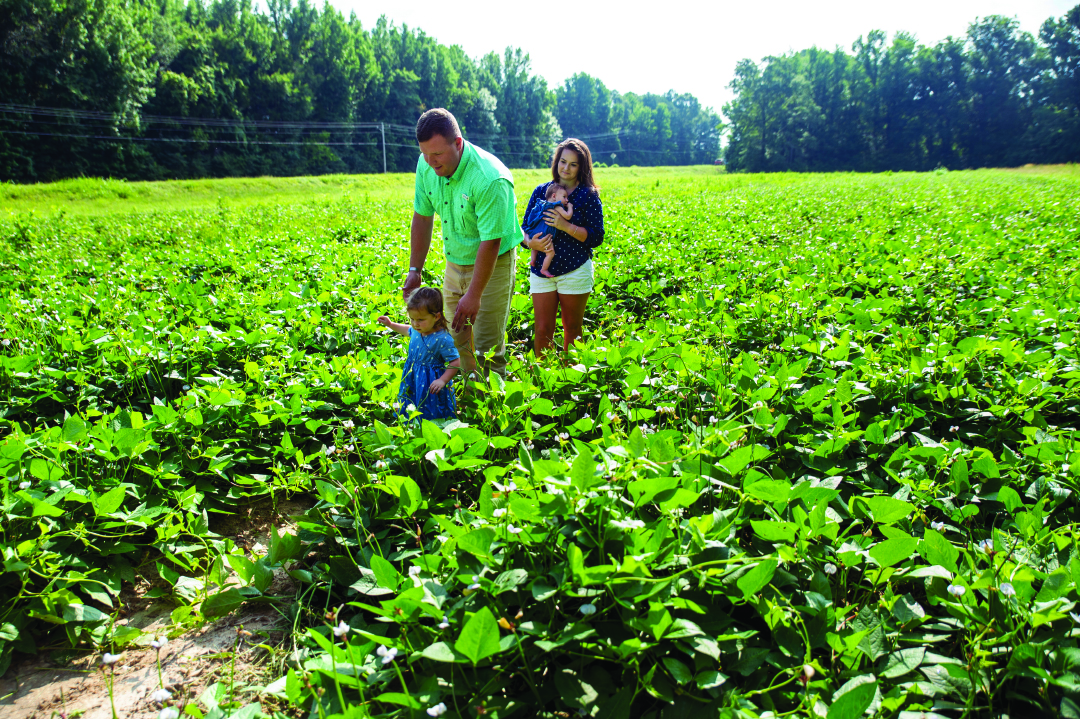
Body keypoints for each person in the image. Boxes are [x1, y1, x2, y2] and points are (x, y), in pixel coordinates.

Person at [404, 108, 520, 378]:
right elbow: (422, 217)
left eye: (437, 154)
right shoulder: (426, 165)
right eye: (425, 154)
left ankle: (490, 410)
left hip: (493, 262)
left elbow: (491, 242)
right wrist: (414, 270)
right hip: (455, 260)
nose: (431, 162)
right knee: (456, 338)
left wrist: (474, 294)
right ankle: (469, 396)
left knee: (486, 346)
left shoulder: (490, 178)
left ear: (457, 144)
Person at [520, 138, 604, 355]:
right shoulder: (541, 191)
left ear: (581, 167)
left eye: (573, 164)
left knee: (573, 330)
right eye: (563, 161)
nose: (566, 168)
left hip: (574, 269)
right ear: (556, 162)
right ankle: (545, 383)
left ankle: (571, 383)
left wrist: (565, 226)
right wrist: (530, 242)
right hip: (541, 270)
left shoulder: (588, 195)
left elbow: (596, 236)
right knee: (542, 329)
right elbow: (522, 229)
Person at [378, 287, 460, 420]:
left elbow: (455, 362)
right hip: (413, 376)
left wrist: (442, 380)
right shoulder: (418, 329)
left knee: (430, 407)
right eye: (412, 319)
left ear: (437, 316)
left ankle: (431, 429)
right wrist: (391, 324)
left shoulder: (442, 339)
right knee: (410, 399)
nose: (416, 324)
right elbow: (408, 330)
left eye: (421, 319)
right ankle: (409, 424)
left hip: (431, 382)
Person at [522, 184, 573, 278]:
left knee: (535, 246)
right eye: (564, 197)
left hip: (536, 232)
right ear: (554, 196)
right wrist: (570, 207)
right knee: (550, 253)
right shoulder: (557, 206)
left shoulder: (542, 204)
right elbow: (568, 216)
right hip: (546, 234)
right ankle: (544, 269)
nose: (567, 200)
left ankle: (533, 260)